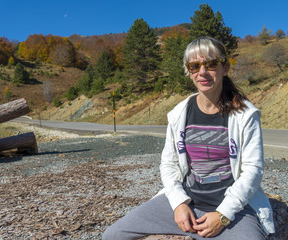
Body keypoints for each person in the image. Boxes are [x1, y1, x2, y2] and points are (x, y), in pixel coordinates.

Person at [102, 36, 275, 240]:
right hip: (189, 203)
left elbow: (253, 171)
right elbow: (168, 164)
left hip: (234, 210)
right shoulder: (179, 113)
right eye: (195, 66)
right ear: (189, 71)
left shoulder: (245, 115)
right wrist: (179, 204)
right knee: (113, 235)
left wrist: (223, 215)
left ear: (225, 67)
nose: (202, 72)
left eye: (210, 64)